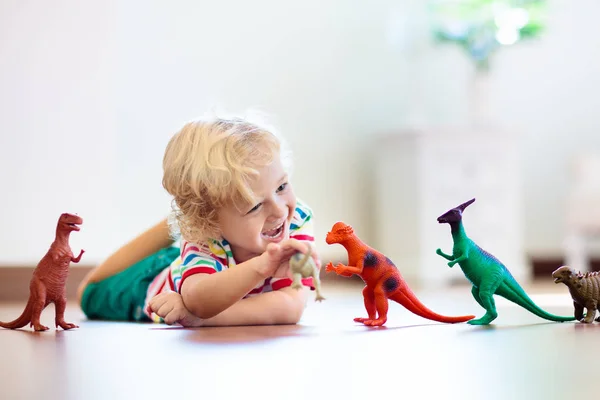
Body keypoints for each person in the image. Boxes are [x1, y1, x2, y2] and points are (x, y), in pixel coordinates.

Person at [77, 114, 320, 327]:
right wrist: (261, 267)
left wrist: (203, 319)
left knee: (193, 247)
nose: (279, 211)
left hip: (198, 259)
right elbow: (197, 300)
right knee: (88, 293)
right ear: (211, 223)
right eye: (255, 206)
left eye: (282, 186)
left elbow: (291, 305)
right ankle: (177, 224)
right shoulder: (205, 236)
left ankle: (179, 224)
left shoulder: (296, 217)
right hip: (153, 280)